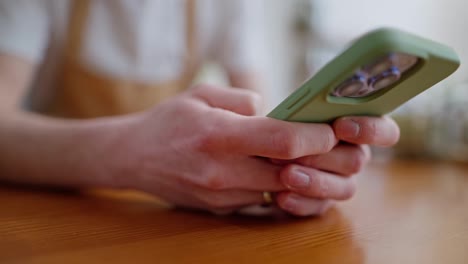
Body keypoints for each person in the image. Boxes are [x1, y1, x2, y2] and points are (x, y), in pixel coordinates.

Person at [0, 0, 399, 217]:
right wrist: (132, 154)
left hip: (167, 217)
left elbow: (263, 112)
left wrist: (294, 164)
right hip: (54, 213)